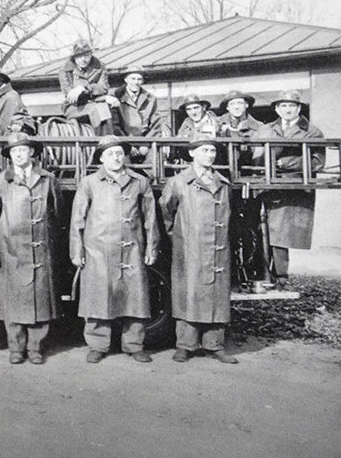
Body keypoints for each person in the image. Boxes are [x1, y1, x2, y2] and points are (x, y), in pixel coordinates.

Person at [69, 135, 160, 364]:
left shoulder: (140, 182)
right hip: (98, 250)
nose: (116, 157)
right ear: (101, 158)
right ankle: (98, 344)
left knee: (135, 297)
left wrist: (151, 247)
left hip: (132, 248)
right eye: (110, 153)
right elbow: (77, 220)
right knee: (98, 297)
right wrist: (76, 251)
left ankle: (134, 344)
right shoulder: (89, 182)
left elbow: (150, 219)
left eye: (119, 153)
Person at [160, 134, 237, 364]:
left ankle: (214, 345)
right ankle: (185, 345)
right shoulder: (178, 182)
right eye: (204, 150)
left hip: (218, 247)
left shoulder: (223, 183)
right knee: (188, 293)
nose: (210, 155)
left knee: (217, 295)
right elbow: (166, 211)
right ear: (192, 153)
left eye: (212, 151)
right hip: (190, 247)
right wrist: (181, 238)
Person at [0, 132, 63, 365]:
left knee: (40, 299)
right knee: (13, 300)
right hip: (12, 250)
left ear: (32, 152)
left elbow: (57, 211)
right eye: (14, 150)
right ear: (9, 155)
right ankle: (16, 348)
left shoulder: (48, 179)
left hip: (41, 247)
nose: (19, 154)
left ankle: (36, 347)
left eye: (23, 149)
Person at [254, 90, 325, 287]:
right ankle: (262, 276)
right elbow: (256, 157)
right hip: (266, 186)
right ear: (277, 108)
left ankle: (281, 277)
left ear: (299, 108)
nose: (287, 109)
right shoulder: (266, 129)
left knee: (281, 234)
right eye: (283, 105)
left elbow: (317, 162)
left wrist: (282, 162)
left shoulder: (311, 131)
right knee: (261, 231)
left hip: (293, 188)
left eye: (292, 105)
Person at [58, 40, 122, 136]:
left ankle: (107, 143)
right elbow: (71, 96)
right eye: (79, 56)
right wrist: (95, 93)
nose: (83, 59)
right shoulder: (65, 71)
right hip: (74, 107)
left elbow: (103, 88)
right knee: (97, 109)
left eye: (86, 55)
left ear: (91, 54)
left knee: (104, 109)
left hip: (97, 104)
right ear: (74, 58)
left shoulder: (100, 67)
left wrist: (84, 88)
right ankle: (100, 143)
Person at [112, 65, 171, 161]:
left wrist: (146, 144)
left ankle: (153, 176)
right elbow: (115, 126)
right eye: (133, 79)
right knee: (121, 160)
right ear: (126, 79)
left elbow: (155, 124)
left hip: (145, 141)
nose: (136, 82)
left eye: (139, 79)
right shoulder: (116, 97)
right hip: (123, 141)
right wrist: (127, 145)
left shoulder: (150, 98)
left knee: (155, 161)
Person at [217, 90, 262, 168]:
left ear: (246, 105)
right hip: (223, 171)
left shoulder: (259, 127)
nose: (236, 107)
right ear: (227, 107)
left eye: (240, 103)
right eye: (232, 104)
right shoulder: (217, 124)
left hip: (250, 172)